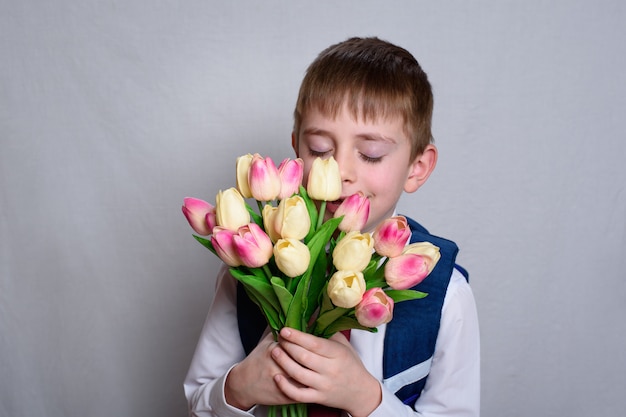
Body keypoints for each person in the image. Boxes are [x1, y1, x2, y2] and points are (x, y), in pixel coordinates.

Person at [184, 36, 480, 417]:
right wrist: (239, 388)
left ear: (417, 167)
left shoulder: (447, 295)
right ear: (296, 151)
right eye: (320, 150)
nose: (339, 171)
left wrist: (366, 400)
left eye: (371, 154)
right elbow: (197, 403)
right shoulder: (251, 265)